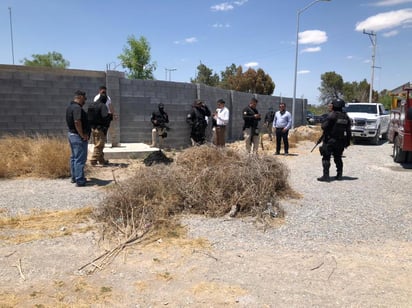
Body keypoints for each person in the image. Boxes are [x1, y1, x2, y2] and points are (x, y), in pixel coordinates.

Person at [317, 98, 351, 182]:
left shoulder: (332, 115)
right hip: (341, 141)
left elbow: (324, 127)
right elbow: (348, 131)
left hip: (330, 140)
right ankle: (339, 175)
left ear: (334, 105)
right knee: (338, 158)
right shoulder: (346, 117)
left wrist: (324, 121)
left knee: (326, 157)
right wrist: (347, 142)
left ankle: (326, 176)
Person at [66, 90, 90, 187]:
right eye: (84, 98)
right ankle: (80, 180)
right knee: (80, 159)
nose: (85, 100)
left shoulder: (70, 107)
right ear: (80, 97)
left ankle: (74, 177)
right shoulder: (77, 108)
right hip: (77, 136)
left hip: (72, 135)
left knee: (74, 157)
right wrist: (82, 135)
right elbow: (77, 122)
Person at [88, 93, 112, 166]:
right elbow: (104, 117)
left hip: (93, 128)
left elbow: (88, 117)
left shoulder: (91, 105)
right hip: (100, 128)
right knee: (100, 145)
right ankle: (93, 159)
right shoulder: (103, 106)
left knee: (97, 144)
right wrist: (110, 117)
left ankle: (101, 160)